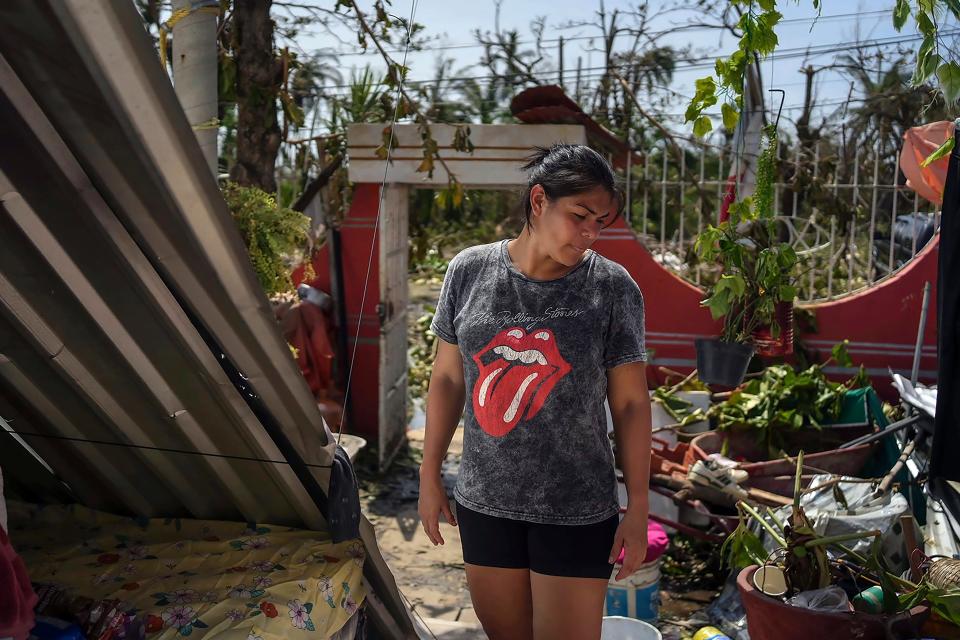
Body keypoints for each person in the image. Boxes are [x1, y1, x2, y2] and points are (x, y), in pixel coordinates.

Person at [418, 143, 652, 640]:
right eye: (580, 215)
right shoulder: (470, 271)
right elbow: (447, 378)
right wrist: (429, 471)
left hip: (576, 508)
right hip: (484, 503)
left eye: (600, 222)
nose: (590, 234)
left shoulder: (612, 288)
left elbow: (630, 404)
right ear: (540, 200)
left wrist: (638, 505)